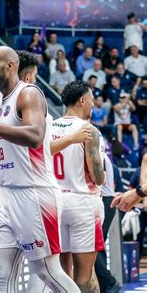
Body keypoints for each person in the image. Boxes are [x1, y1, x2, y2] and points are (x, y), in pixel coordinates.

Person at [0, 46, 80, 292]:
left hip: (34, 193)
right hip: (6, 193)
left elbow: (35, 136)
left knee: (47, 271)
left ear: (10, 65)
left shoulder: (29, 94)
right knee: (0, 272)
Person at [51, 80, 105, 291]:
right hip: (82, 202)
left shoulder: (49, 127)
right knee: (83, 276)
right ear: (82, 100)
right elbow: (98, 177)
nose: (93, 106)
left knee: (63, 276)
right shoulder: (88, 130)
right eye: (91, 101)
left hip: (55, 204)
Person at [94, 153, 122, 293]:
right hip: (104, 200)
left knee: (92, 246)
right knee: (97, 247)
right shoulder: (100, 152)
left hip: (104, 200)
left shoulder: (97, 151)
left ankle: (109, 283)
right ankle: (104, 284)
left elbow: (102, 179)